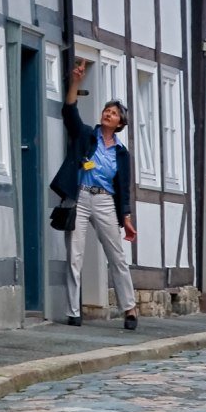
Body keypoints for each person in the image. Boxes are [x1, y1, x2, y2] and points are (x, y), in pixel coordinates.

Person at [53, 60, 139, 330]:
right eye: (106, 110)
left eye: (113, 113)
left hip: (104, 200)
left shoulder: (121, 154)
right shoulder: (87, 136)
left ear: (120, 123)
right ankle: (73, 311)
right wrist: (75, 83)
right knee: (74, 255)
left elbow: (123, 188)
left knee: (116, 256)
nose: (107, 114)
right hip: (80, 196)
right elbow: (69, 111)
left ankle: (130, 308)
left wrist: (125, 216)